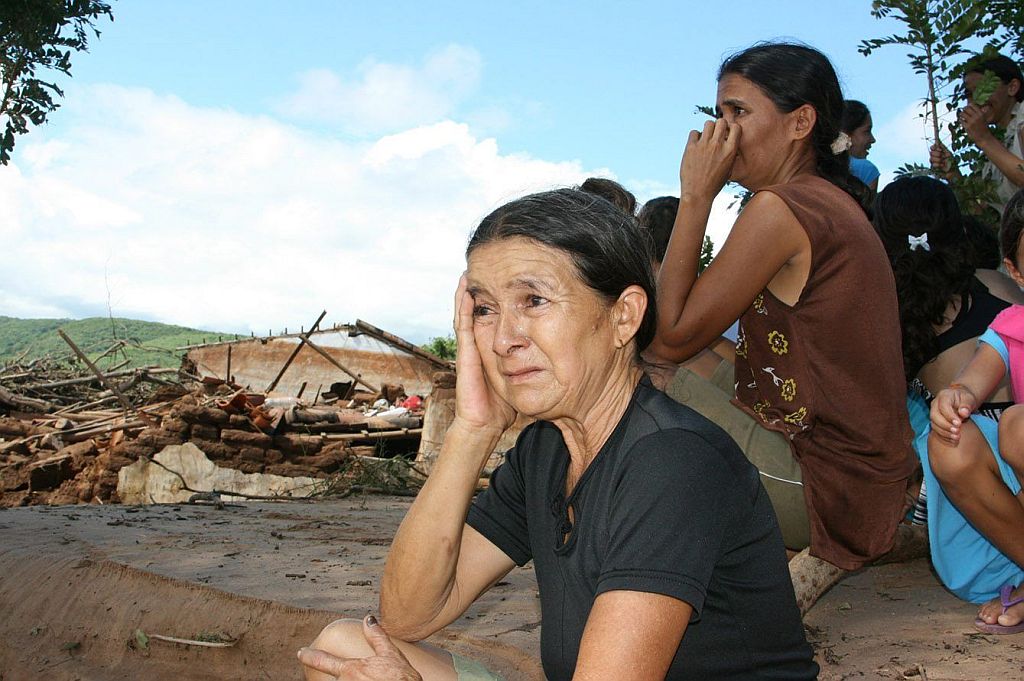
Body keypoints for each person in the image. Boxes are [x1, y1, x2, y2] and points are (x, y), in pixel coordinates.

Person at [298, 189, 818, 680]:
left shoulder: (675, 461)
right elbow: (408, 616)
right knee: (344, 652)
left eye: (534, 301)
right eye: (484, 309)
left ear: (624, 315)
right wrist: (472, 431)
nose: (503, 340)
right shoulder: (547, 448)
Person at [646, 41, 918, 611]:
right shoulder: (822, 200)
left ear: (800, 122)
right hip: (862, 476)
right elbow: (685, 336)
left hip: (828, 489)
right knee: (676, 358)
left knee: (641, 375)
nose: (723, 133)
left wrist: (695, 196)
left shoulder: (782, 208)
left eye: (739, 113)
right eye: (718, 115)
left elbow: (668, 336)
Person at [924, 188, 1024, 634]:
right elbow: (972, 380)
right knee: (950, 440)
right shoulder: (1008, 330)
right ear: (1016, 272)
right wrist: (954, 397)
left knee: (1018, 426)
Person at [930, 54, 1024, 214]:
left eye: (981, 90)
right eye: (968, 94)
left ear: (1012, 87)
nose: (975, 101)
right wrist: (952, 173)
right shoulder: (998, 145)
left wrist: (984, 139)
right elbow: (982, 214)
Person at [842, 99, 879, 192]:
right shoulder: (866, 170)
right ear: (846, 133)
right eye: (867, 131)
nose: (873, 139)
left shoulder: (811, 166)